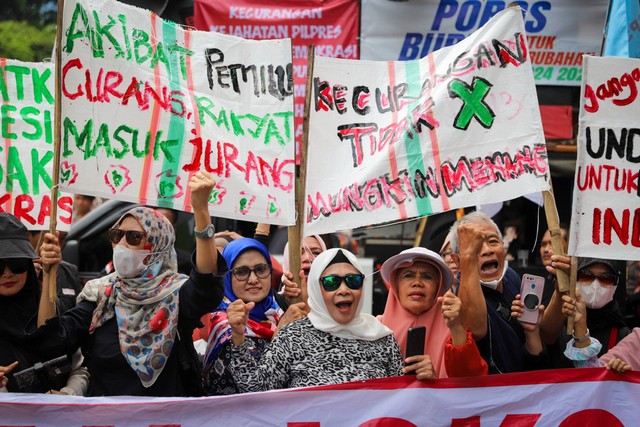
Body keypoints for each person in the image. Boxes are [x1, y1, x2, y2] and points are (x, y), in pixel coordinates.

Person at [32, 171, 225, 397]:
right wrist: (47, 276)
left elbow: (206, 285)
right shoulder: (102, 295)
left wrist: (201, 211)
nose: (121, 244)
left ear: (157, 246)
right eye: (116, 235)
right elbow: (52, 339)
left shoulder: (175, 295)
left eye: (133, 237)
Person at [226, 248, 407, 391]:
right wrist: (238, 337)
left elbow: (399, 399)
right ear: (315, 287)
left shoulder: (382, 338)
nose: (344, 289)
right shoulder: (292, 337)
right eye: (331, 282)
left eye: (353, 281)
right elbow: (256, 390)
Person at [202, 238, 307, 395]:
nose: (253, 279)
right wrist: (282, 334)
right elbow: (253, 390)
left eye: (260, 269)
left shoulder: (278, 312)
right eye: (242, 272)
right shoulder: (226, 325)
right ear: (227, 277)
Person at [0, 213, 88, 395]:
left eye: (17, 265)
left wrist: (67, 395)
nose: (7, 274)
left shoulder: (53, 308)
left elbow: (80, 367)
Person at [451, 211, 549, 374]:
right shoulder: (460, 299)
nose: (487, 250)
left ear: (503, 247)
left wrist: (532, 332)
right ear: (457, 260)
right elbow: (474, 329)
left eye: (492, 241)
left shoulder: (511, 278)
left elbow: (534, 365)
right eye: (476, 247)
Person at [379, 247, 486, 378]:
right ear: (396, 285)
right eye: (408, 275)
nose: (417, 283)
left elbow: (472, 383)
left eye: (427, 277)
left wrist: (434, 384)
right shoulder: (375, 328)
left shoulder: (455, 330)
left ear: (438, 287)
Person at [541, 257, 630, 368]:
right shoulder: (560, 324)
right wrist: (561, 288)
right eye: (587, 275)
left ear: (615, 284)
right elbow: (545, 336)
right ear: (575, 278)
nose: (595, 284)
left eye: (606, 278)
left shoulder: (625, 336)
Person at [561, 291, 636, 373]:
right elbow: (592, 375)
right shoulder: (637, 340)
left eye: (605, 280)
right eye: (587, 278)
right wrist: (580, 325)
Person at [27, 230, 83, 314]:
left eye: (62, 238)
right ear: (29, 236)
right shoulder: (19, 273)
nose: (56, 246)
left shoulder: (70, 271)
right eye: (48, 239)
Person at [278, 235, 328, 309]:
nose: (307, 258)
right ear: (287, 261)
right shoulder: (274, 306)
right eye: (298, 253)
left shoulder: (338, 298)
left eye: (316, 253)